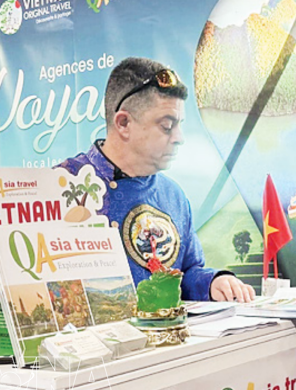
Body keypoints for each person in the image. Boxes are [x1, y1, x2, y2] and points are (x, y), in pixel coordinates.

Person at [60, 57, 254, 302]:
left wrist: (214, 282)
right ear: (124, 123)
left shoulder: (172, 195)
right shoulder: (61, 187)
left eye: (179, 125)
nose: (179, 138)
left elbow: (187, 273)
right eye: (166, 126)